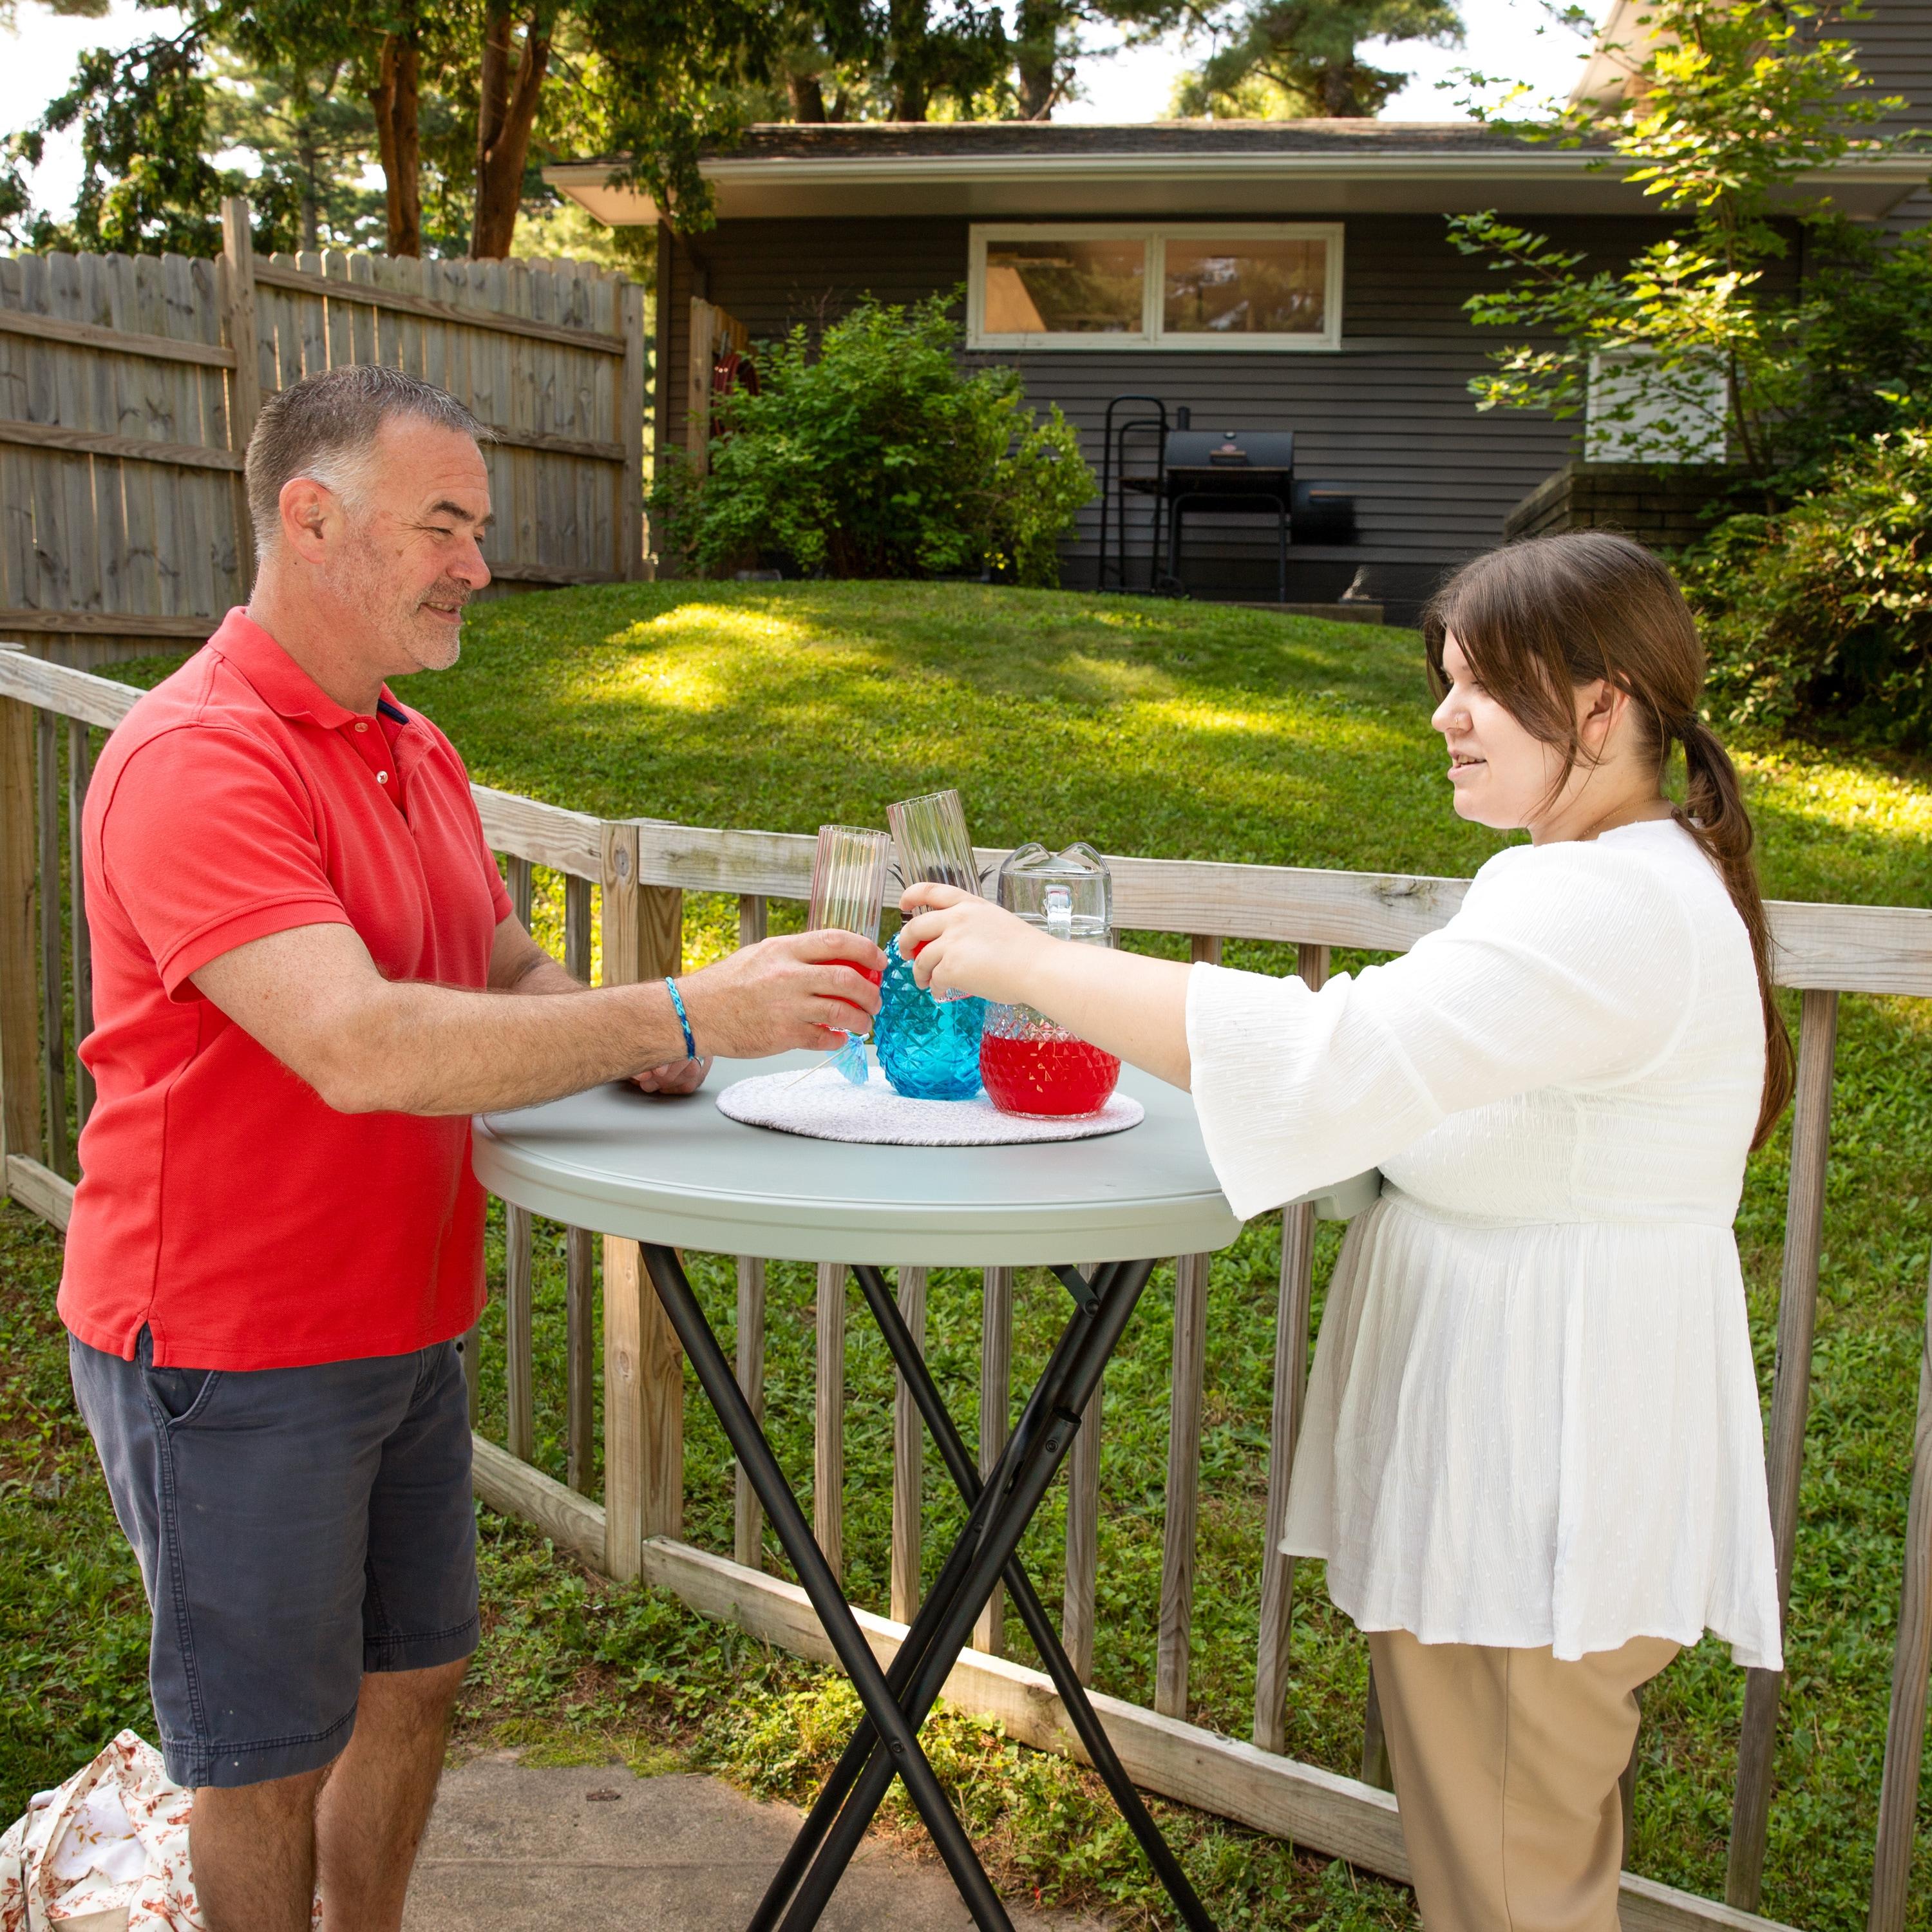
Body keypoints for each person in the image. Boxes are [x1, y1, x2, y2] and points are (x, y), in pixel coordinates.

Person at [59, 365, 884, 1932]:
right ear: (313, 518)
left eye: (478, 527)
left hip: (402, 1320)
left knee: (414, 1683)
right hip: (230, 1346)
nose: (480, 566)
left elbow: (496, 966)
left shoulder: (410, 750)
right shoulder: (197, 761)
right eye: (445, 523)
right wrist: (680, 1005)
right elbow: (361, 1043)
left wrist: (625, 1029)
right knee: (262, 1760)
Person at [901, 529, 1789, 1931]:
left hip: (1538, 1483)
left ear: (1602, 709)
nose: (1443, 716)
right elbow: (1435, 1099)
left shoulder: (1603, 900)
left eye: (1480, 687)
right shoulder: (1630, 882)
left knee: (1510, 1892)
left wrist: (1033, 964)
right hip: (1543, 1466)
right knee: (1518, 1865)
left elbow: (1330, 1059)